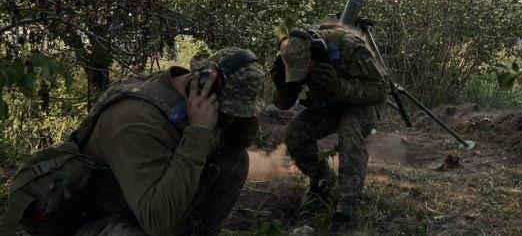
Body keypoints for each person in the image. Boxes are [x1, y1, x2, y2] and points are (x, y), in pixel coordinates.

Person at [72, 47, 265, 236]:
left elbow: (241, 140)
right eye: (225, 111)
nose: (230, 120)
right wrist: (198, 133)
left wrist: (240, 115)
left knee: (234, 159)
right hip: (101, 218)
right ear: (200, 82)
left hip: (144, 205)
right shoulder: (137, 120)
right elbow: (157, 222)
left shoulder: (184, 92)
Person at [270, 23, 388, 231]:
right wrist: (282, 86)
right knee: (295, 133)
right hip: (329, 104)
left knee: (349, 128)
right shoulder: (290, 58)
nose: (304, 77)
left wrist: (340, 87)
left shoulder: (349, 47)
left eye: (308, 71)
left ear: (317, 53)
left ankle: (347, 206)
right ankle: (323, 180)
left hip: (361, 104)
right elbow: (284, 104)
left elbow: (379, 90)